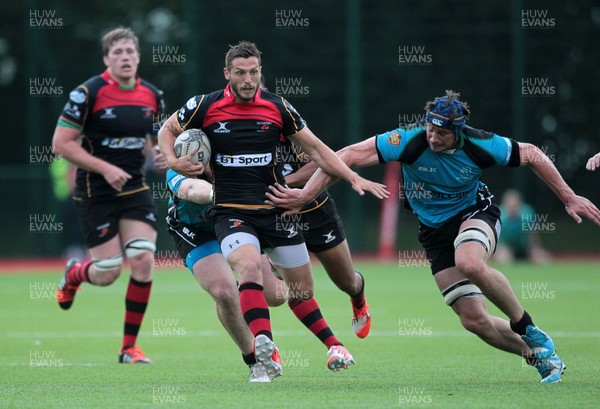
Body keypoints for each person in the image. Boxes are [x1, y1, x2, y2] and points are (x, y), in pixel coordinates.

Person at [266, 90, 600, 383]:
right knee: (474, 320)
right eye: (429, 128)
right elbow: (347, 156)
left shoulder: (481, 143)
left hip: (475, 215)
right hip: (435, 233)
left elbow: (531, 154)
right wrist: (306, 195)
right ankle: (539, 356)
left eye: (441, 133)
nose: (433, 137)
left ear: (458, 133)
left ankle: (527, 326)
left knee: (468, 260)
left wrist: (568, 196)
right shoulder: (408, 141)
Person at [158, 41, 387, 378]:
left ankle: (335, 332)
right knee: (241, 274)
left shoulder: (278, 108)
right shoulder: (203, 109)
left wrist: (352, 176)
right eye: (240, 73)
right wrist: (175, 161)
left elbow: (318, 150)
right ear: (228, 74)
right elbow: (171, 137)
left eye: (254, 72)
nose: (248, 79)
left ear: (260, 73)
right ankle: (262, 348)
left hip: (275, 210)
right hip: (228, 214)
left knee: (294, 292)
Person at [164, 167, 365, 381]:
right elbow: (191, 189)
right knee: (223, 290)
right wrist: (221, 193)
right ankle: (255, 360)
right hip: (196, 231)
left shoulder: (231, 154)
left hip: (236, 220)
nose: (199, 161)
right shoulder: (179, 165)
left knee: (277, 296)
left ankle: (275, 269)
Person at [52, 27, 165, 364]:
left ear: (139, 56)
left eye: (130, 51)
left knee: (143, 260)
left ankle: (129, 347)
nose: (125, 57)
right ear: (106, 58)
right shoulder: (87, 93)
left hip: (134, 188)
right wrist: (104, 168)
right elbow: (60, 145)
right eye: (117, 52)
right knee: (108, 271)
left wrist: (161, 154)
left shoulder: (153, 95)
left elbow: (156, 140)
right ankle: (75, 274)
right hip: (95, 191)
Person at [493, 189, 551, 264]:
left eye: (515, 206)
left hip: (525, 248)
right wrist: (498, 251)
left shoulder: (527, 212)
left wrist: (536, 250)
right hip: (506, 248)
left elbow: (533, 234)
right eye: (510, 206)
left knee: (543, 258)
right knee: (503, 259)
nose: (512, 209)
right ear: (505, 205)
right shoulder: (498, 214)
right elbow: (496, 239)